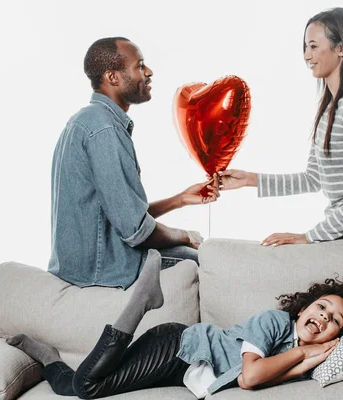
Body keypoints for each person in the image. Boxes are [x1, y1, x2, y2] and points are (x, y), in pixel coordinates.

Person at [7, 249, 343, 398]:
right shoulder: (275, 323)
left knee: (74, 384)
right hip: (177, 348)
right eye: (321, 307)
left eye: (335, 320)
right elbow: (251, 377)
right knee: (87, 387)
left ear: (339, 333)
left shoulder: (300, 357)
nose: (323, 317)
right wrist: (311, 352)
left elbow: (268, 377)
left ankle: (47, 355)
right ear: (303, 309)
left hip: (178, 372)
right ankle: (142, 302)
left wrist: (309, 358)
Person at [48, 37, 219, 289]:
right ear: (112, 77)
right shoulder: (104, 129)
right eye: (139, 66)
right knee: (212, 262)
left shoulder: (87, 121)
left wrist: (180, 199)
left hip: (87, 266)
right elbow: (136, 232)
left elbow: (120, 217)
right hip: (104, 271)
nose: (148, 72)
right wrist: (186, 235)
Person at [218, 8, 343, 246]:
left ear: (342, 48)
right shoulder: (329, 108)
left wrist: (310, 237)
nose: (306, 55)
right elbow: (314, 178)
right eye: (305, 47)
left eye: (313, 46)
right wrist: (250, 180)